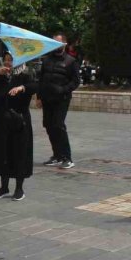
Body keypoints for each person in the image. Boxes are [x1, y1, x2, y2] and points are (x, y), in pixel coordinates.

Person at [0, 53, 37, 201]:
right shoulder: (2, 76)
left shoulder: (26, 74)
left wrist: (22, 88)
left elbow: (35, 86)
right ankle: (4, 186)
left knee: (19, 152)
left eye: (11, 60)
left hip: (19, 120)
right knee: (3, 152)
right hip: (1, 119)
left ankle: (19, 188)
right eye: (6, 60)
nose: (8, 63)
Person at [37, 33, 80, 169]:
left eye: (58, 43)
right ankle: (57, 155)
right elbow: (41, 79)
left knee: (58, 125)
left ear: (64, 44)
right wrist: (39, 96)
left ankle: (67, 157)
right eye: (53, 43)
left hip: (62, 99)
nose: (56, 46)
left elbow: (76, 81)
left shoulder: (70, 61)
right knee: (49, 125)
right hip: (47, 98)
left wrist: (64, 89)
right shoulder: (46, 60)